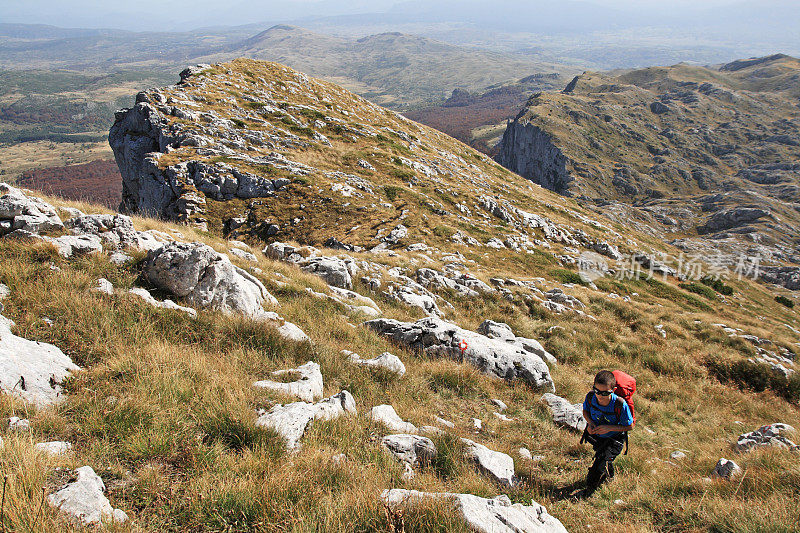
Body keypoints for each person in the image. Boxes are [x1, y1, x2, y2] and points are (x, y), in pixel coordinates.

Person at [580, 370, 634, 496]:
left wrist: (609, 428)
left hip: (614, 439)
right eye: (597, 391)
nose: (600, 395)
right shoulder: (590, 397)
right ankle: (610, 477)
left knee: (598, 467)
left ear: (613, 390)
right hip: (598, 437)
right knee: (603, 458)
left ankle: (589, 490)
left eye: (605, 393)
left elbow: (629, 426)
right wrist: (590, 424)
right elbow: (585, 412)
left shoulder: (619, 404)